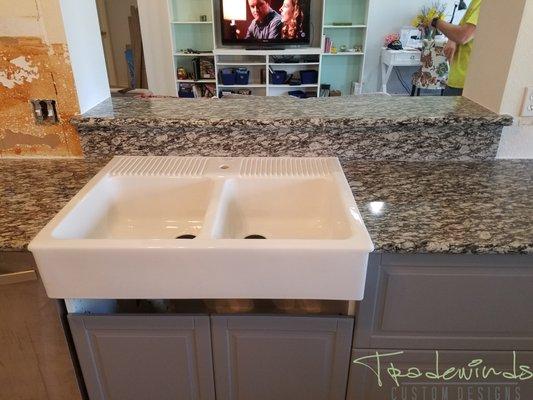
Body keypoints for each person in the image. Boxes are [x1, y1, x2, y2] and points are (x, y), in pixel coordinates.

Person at [431, 0, 482, 96]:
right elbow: (462, 30)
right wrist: (452, 39)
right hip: (457, 78)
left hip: (465, 81)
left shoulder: (485, 4)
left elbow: (462, 36)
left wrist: (436, 22)